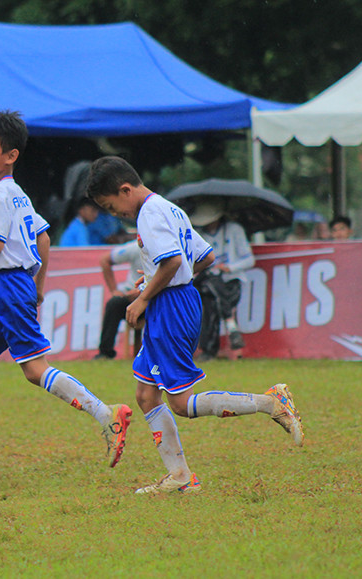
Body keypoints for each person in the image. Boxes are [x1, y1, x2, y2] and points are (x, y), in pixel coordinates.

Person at [0, 110, 132, 478]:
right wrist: (37, 285)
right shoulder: (17, 195)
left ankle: (107, 415)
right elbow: (43, 238)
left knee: (35, 371)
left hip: (5, 286)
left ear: (11, 155)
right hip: (8, 288)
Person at [87, 156, 304, 494]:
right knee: (146, 394)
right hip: (175, 300)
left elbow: (173, 261)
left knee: (181, 403)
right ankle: (180, 477)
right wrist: (166, 278)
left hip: (170, 307)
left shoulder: (149, 214)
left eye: (112, 206)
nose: (117, 214)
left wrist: (144, 296)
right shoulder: (170, 208)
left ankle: (271, 402)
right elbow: (205, 257)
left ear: (125, 190)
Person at [188, 201, 254, 360]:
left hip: (230, 282)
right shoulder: (198, 235)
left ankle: (209, 350)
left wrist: (229, 267)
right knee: (209, 284)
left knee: (212, 292)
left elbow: (249, 259)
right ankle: (231, 326)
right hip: (207, 282)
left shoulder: (234, 230)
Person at [95, 238, 142, 360]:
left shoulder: (165, 249)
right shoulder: (135, 248)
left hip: (155, 296)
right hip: (131, 296)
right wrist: (114, 291)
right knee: (114, 303)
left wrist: (144, 293)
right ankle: (105, 352)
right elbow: (105, 260)